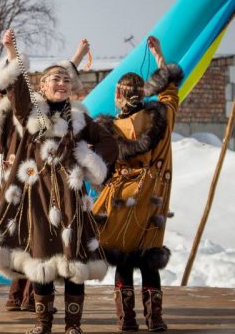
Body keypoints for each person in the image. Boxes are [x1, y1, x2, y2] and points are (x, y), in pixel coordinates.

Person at [0, 29, 119, 334]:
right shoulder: (31, 112)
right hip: (37, 198)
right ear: (43, 85)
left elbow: (109, 143)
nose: (62, 83)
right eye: (56, 79)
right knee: (40, 260)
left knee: (73, 264)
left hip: (70, 198)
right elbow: (17, 88)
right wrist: (11, 53)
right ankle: (43, 325)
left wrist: (87, 157)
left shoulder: (80, 119)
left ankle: (73, 326)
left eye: (66, 80)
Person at [92, 36, 182, 333]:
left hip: (122, 200)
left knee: (124, 260)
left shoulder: (109, 130)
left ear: (118, 97)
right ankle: (155, 320)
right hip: (154, 198)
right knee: (149, 258)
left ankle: (127, 321)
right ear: (142, 95)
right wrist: (159, 58)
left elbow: (99, 167)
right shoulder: (163, 117)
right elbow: (170, 93)